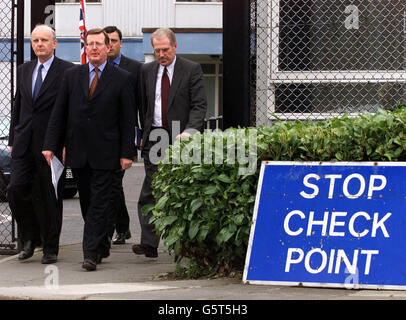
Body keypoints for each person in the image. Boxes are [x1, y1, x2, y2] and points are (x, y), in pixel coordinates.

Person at [42, 28, 137, 271]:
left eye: (99, 44)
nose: (94, 48)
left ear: (108, 48)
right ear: (85, 48)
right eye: (90, 44)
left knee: (100, 203)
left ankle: (90, 254)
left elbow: (127, 119)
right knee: (87, 202)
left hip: (107, 154)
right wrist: (51, 145)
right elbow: (59, 113)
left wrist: (128, 152)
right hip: (78, 153)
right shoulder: (72, 76)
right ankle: (101, 242)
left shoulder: (122, 78)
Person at [133, 28, 207, 258]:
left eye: (165, 49)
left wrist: (190, 131)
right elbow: (144, 105)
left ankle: (187, 245)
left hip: (180, 138)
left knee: (183, 191)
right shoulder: (146, 70)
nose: (162, 54)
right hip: (155, 137)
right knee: (150, 192)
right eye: (157, 51)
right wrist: (144, 132)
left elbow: (199, 106)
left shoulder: (191, 69)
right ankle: (149, 243)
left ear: (175, 46)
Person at [7, 24, 74, 264]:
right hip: (23, 143)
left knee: (50, 197)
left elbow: (69, 111)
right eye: (35, 41)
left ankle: (50, 248)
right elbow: (19, 104)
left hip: (51, 145)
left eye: (44, 40)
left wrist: (65, 143)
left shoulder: (66, 71)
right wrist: (13, 139)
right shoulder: (24, 70)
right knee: (15, 189)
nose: (39, 45)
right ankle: (30, 237)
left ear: (54, 43)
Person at [102, 26, 143, 245]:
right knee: (110, 185)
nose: (110, 45)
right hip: (101, 139)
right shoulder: (94, 67)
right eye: (106, 40)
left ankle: (111, 231)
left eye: (114, 41)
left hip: (123, 138)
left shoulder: (135, 69)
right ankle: (123, 227)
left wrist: (141, 134)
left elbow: (140, 104)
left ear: (120, 43)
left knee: (113, 184)